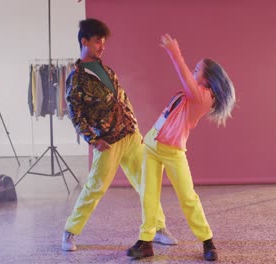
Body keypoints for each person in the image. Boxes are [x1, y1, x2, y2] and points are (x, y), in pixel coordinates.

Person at [62, 19, 177, 251]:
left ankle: (157, 227)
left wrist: (134, 125)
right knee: (95, 187)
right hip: (108, 141)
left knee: (147, 182)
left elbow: (122, 98)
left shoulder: (106, 70)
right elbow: (75, 114)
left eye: (103, 42)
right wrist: (93, 140)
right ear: (84, 42)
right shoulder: (76, 79)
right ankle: (69, 233)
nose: (101, 46)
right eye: (97, 42)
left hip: (130, 135)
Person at [126, 34, 236, 261]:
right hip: (151, 145)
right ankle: (146, 241)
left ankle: (207, 240)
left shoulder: (204, 97)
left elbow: (186, 80)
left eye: (197, 70)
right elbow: (167, 117)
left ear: (208, 80)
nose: (193, 72)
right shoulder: (191, 93)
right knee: (148, 194)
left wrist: (174, 52)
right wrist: (148, 139)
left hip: (173, 151)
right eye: (193, 69)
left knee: (188, 197)